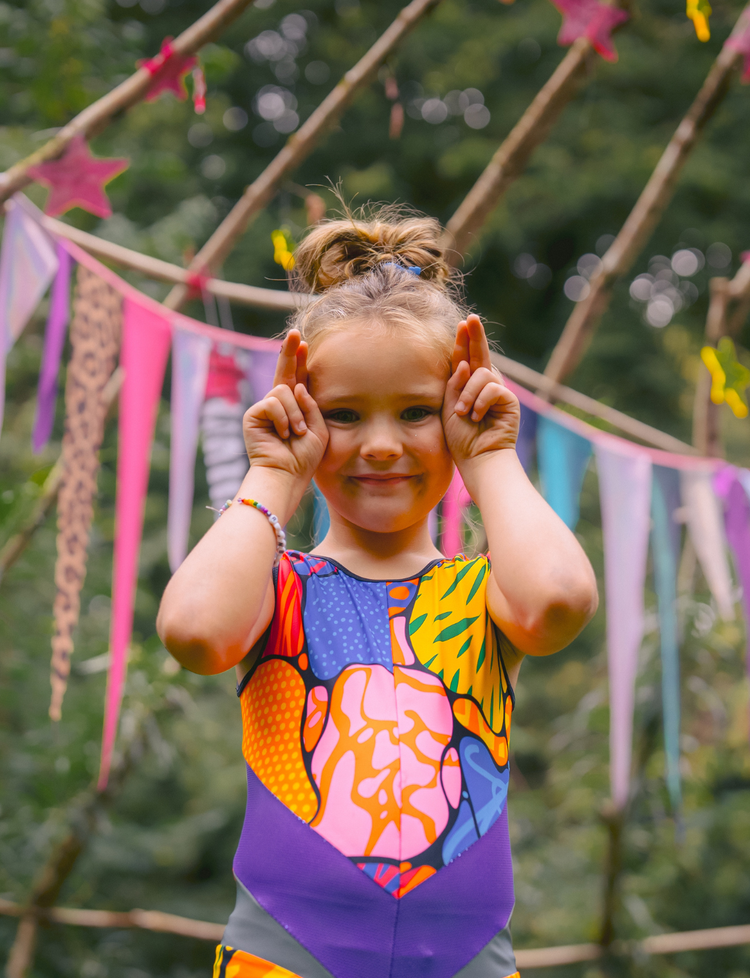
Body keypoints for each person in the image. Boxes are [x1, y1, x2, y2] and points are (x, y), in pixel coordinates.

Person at [157, 205, 598, 978]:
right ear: (304, 419)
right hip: (282, 958)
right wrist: (274, 473)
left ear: (458, 414)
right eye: (345, 415)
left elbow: (559, 600)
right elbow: (194, 631)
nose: (384, 445)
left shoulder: (483, 594)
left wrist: (491, 456)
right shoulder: (274, 586)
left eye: (418, 413)